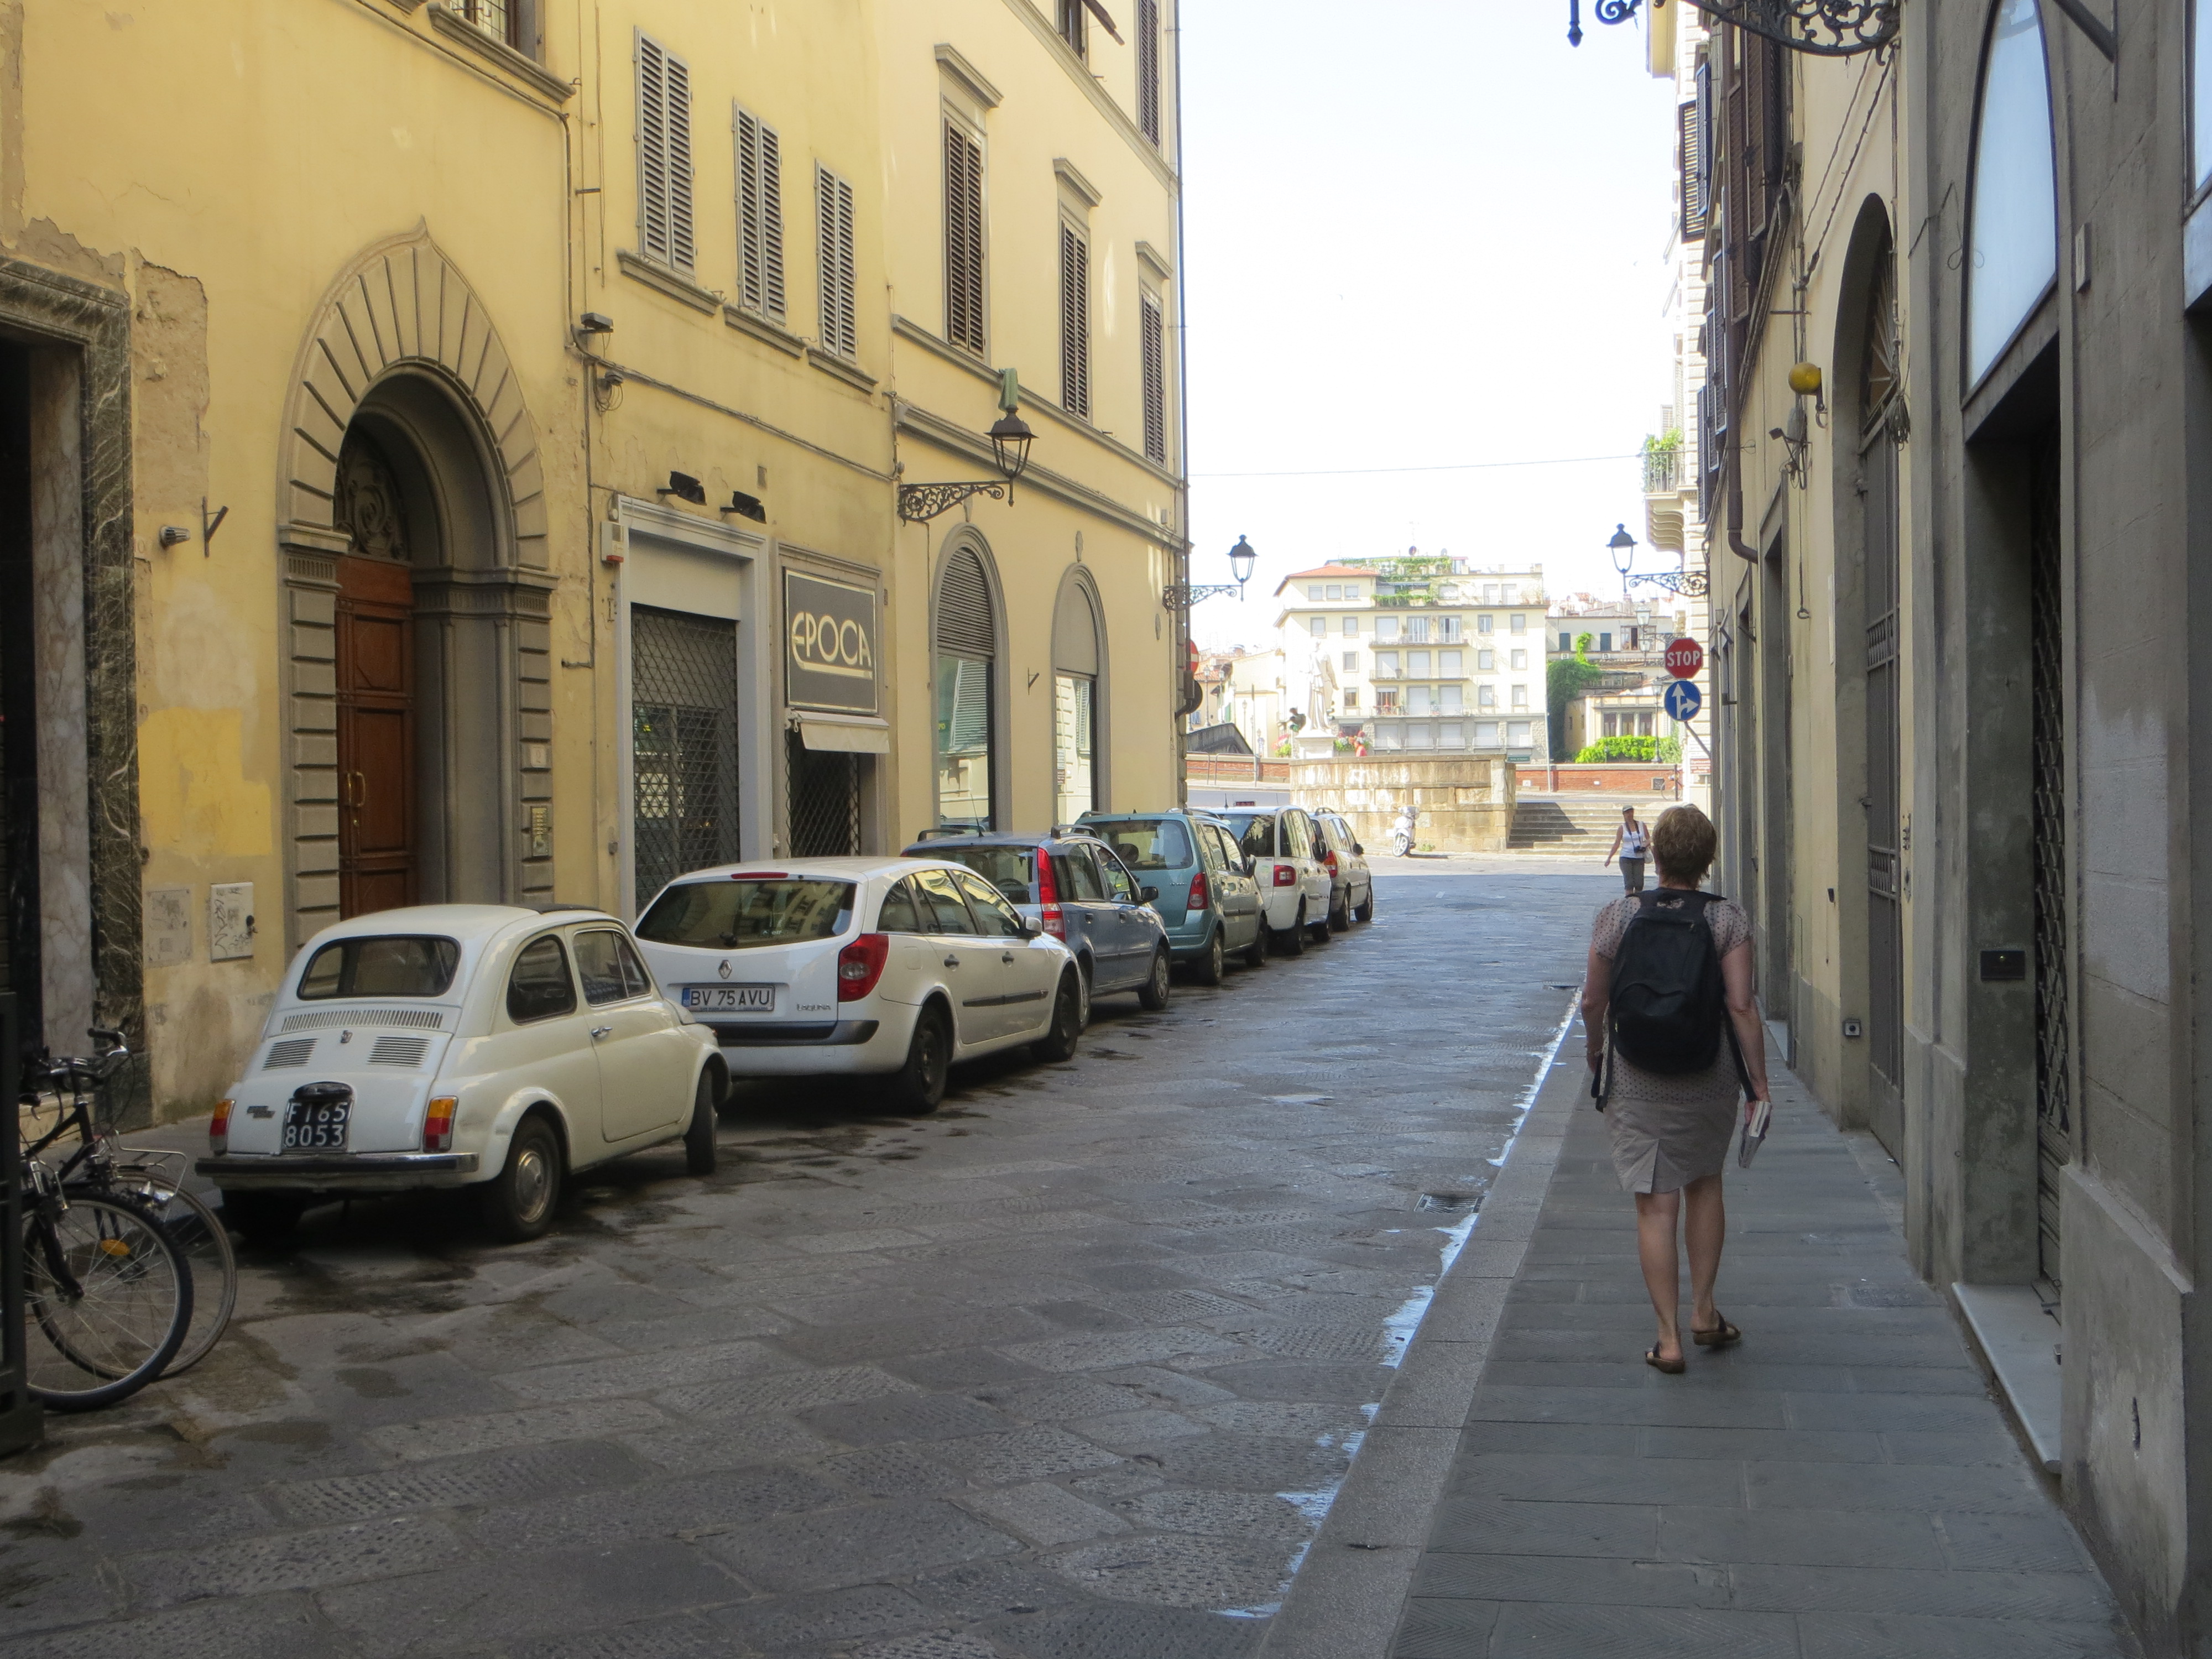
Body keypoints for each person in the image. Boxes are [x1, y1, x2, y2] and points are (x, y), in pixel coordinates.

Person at [1581, 804, 1771, 1374]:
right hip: (1707, 1075)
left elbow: (1592, 1001)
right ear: (1708, 858)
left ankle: (1667, 1340)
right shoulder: (1727, 919)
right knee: (1704, 1184)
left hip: (1635, 1077)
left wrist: (1596, 1051)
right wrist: (1759, 1085)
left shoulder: (1618, 915)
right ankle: (1704, 1312)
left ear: (1656, 854)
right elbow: (1741, 1006)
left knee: (1654, 1205)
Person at [1604, 805, 1650, 893]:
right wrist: (1609, 858)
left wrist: (1645, 845)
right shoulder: (1622, 828)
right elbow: (1617, 843)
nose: (1629, 814)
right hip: (1626, 857)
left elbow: (1649, 839)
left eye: (1631, 812)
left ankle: (1638, 899)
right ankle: (1629, 899)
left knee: (1639, 884)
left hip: (1639, 857)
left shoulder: (1641, 825)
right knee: (1629, 884)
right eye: (1627, 813)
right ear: (1624, 815)